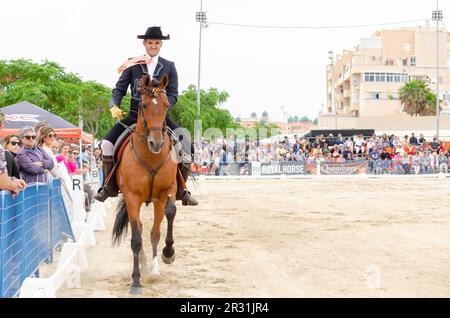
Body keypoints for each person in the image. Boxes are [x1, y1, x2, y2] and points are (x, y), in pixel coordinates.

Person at [94, 26, 197, 205]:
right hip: (134, 115)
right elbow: (119, 89)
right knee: (106, 144)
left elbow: (173, 94)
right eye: (150, 42)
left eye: (157, 43)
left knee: (187, 144)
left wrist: (161, 106)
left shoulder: (170, 66)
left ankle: (182, 190)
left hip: (160, 118)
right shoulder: (133, 63)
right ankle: (108, 186)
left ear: (161, 44)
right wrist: (114, 105)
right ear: (144, 43)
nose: (153, 46)